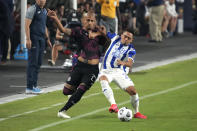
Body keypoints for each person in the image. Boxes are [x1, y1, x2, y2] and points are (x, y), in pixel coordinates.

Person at [48, 10, 108, 118]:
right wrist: (55, 18)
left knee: (81, 90)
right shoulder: (78, 31)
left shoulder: (99, 34)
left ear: (95, 22)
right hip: (79, 66)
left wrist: (101, 33)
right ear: (83, 21)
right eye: (88, 20)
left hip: (92, 69)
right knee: (66, 91)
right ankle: (75, 94)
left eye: (92, 20)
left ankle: (62, 111)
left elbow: (108, 44)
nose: (90, 22)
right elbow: (63, 30)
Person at [98, 31, 147, 119]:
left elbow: (130, 64)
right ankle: (113, 105)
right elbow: (104, 32)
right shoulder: (115, 38)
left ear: (131, 40)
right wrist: (100, 30)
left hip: (118, 71)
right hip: (105, 70)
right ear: (121, 36)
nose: (126, 39)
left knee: (133, 91)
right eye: (125, 36)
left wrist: (122, 62)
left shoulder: (131, 50)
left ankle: (136, 112)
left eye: (129, 38)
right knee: (103, 80)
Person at [25, 0, 52, 94]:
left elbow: (44, 25)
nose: (42, 1)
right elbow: (27, 25)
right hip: (34, 39)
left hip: (41, 39)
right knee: (32, 62)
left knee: (38, 63)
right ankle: (29, 87)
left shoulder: (45, 11)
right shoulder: (32, 9)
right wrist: (28, 39)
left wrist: (47, 39)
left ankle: (34, 85)